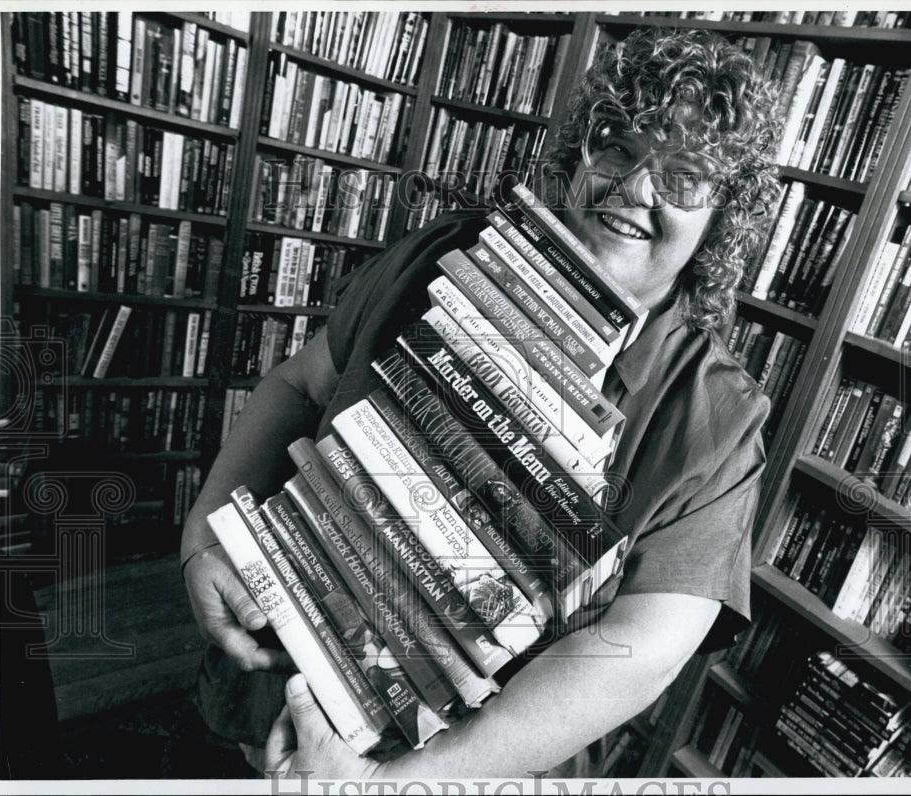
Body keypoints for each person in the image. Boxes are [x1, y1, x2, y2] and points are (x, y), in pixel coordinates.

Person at [180, 24, 782, 779]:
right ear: (579, 153)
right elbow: (299, 388)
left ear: (723, 217)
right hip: (265, 681)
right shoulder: (443, 254)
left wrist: (394, 785)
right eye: (617, 145)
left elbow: (644, 649)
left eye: (684, 172)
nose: (634, 187)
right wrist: (203, 535)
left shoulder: (720, 418)